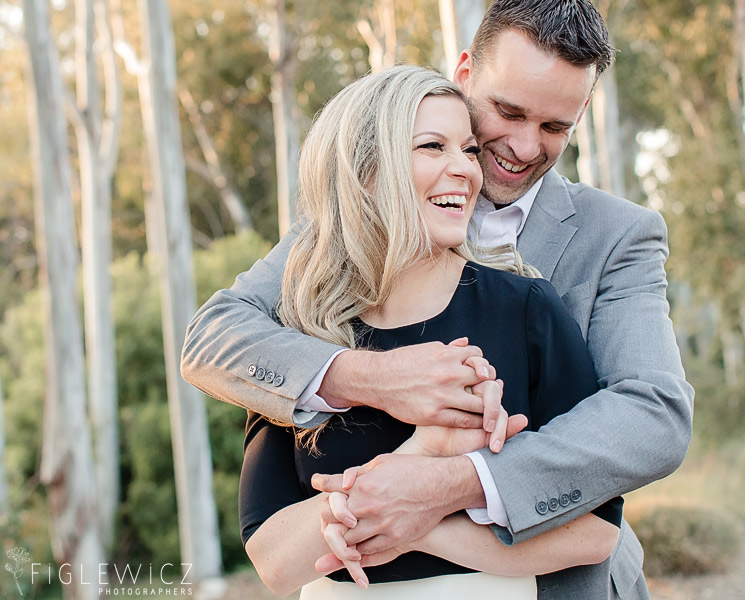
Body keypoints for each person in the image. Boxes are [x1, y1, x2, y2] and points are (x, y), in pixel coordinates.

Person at [181, 1, 694, 598]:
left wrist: (449, 486)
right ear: (465, 72)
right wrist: (377, 377)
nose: (525, 147)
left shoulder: (617, 237)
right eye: (508, 112)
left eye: (556, 128)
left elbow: (653, 414)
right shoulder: (342, 234)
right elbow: (212, 336)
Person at [236, 64, 626, 598]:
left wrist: (428, 523)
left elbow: (596, 530)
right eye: (432, 147)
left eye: (468, 149)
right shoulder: (304, 333)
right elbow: (274, 561)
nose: (466, 170)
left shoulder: (527, 309)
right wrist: (424, 453)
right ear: (366, 171)